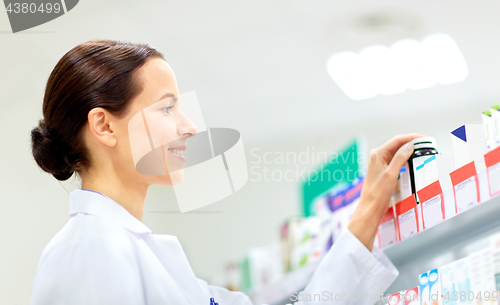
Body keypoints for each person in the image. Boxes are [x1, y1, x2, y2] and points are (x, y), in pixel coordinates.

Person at [29, 39, 423, 305]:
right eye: (167, 108)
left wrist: (369, 210)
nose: (189, 127)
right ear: (104, 126)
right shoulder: (88, 250)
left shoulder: (142, 252)